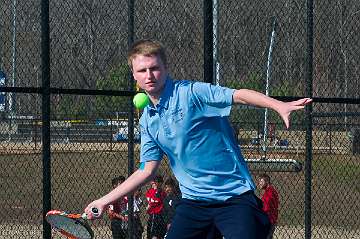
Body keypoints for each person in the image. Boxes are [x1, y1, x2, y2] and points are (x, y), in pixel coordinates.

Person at [84, 39, 312, 238]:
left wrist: (277, 105)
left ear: (165, 68)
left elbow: (238, 95)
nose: (149, 75)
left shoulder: (191, 93)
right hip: (194, 204)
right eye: (142, 70)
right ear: (134, 75)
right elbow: (146, 171)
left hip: (234, 197)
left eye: (154, 68)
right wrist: (104, 201)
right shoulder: (148, 120)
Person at [258, 174, 279, 239]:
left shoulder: (269, 192)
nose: (259, 184)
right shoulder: (270, 191)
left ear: (267, 181)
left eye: (261, 182)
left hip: (269, 219)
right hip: (270, 219)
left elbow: (266, 207)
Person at [145, 175, 167, 239]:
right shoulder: (150, 191)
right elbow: (152, 202)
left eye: (157, 182)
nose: (155, 184)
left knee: (161, 233)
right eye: (154, 182)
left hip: (162, 214)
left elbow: (160, 201)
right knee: (153, 234)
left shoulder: (162, 192)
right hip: (154, 214)